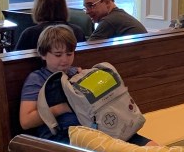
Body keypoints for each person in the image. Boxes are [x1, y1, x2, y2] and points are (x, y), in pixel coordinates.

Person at [19, 25, 151, 144]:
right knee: (121, 151)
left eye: (69, 54)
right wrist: (63, 108)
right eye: (58, 55)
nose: (64, 59)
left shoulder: (76, 72)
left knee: (149, 146)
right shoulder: (37, 79)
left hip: (92, 129)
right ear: (43, 54)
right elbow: (26, 121)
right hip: (63, 136)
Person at [15, 0, 87, 51]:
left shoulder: (30, 34)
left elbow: (17, 59)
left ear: (38, 8)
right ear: (63, 7)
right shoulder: (77, 31)